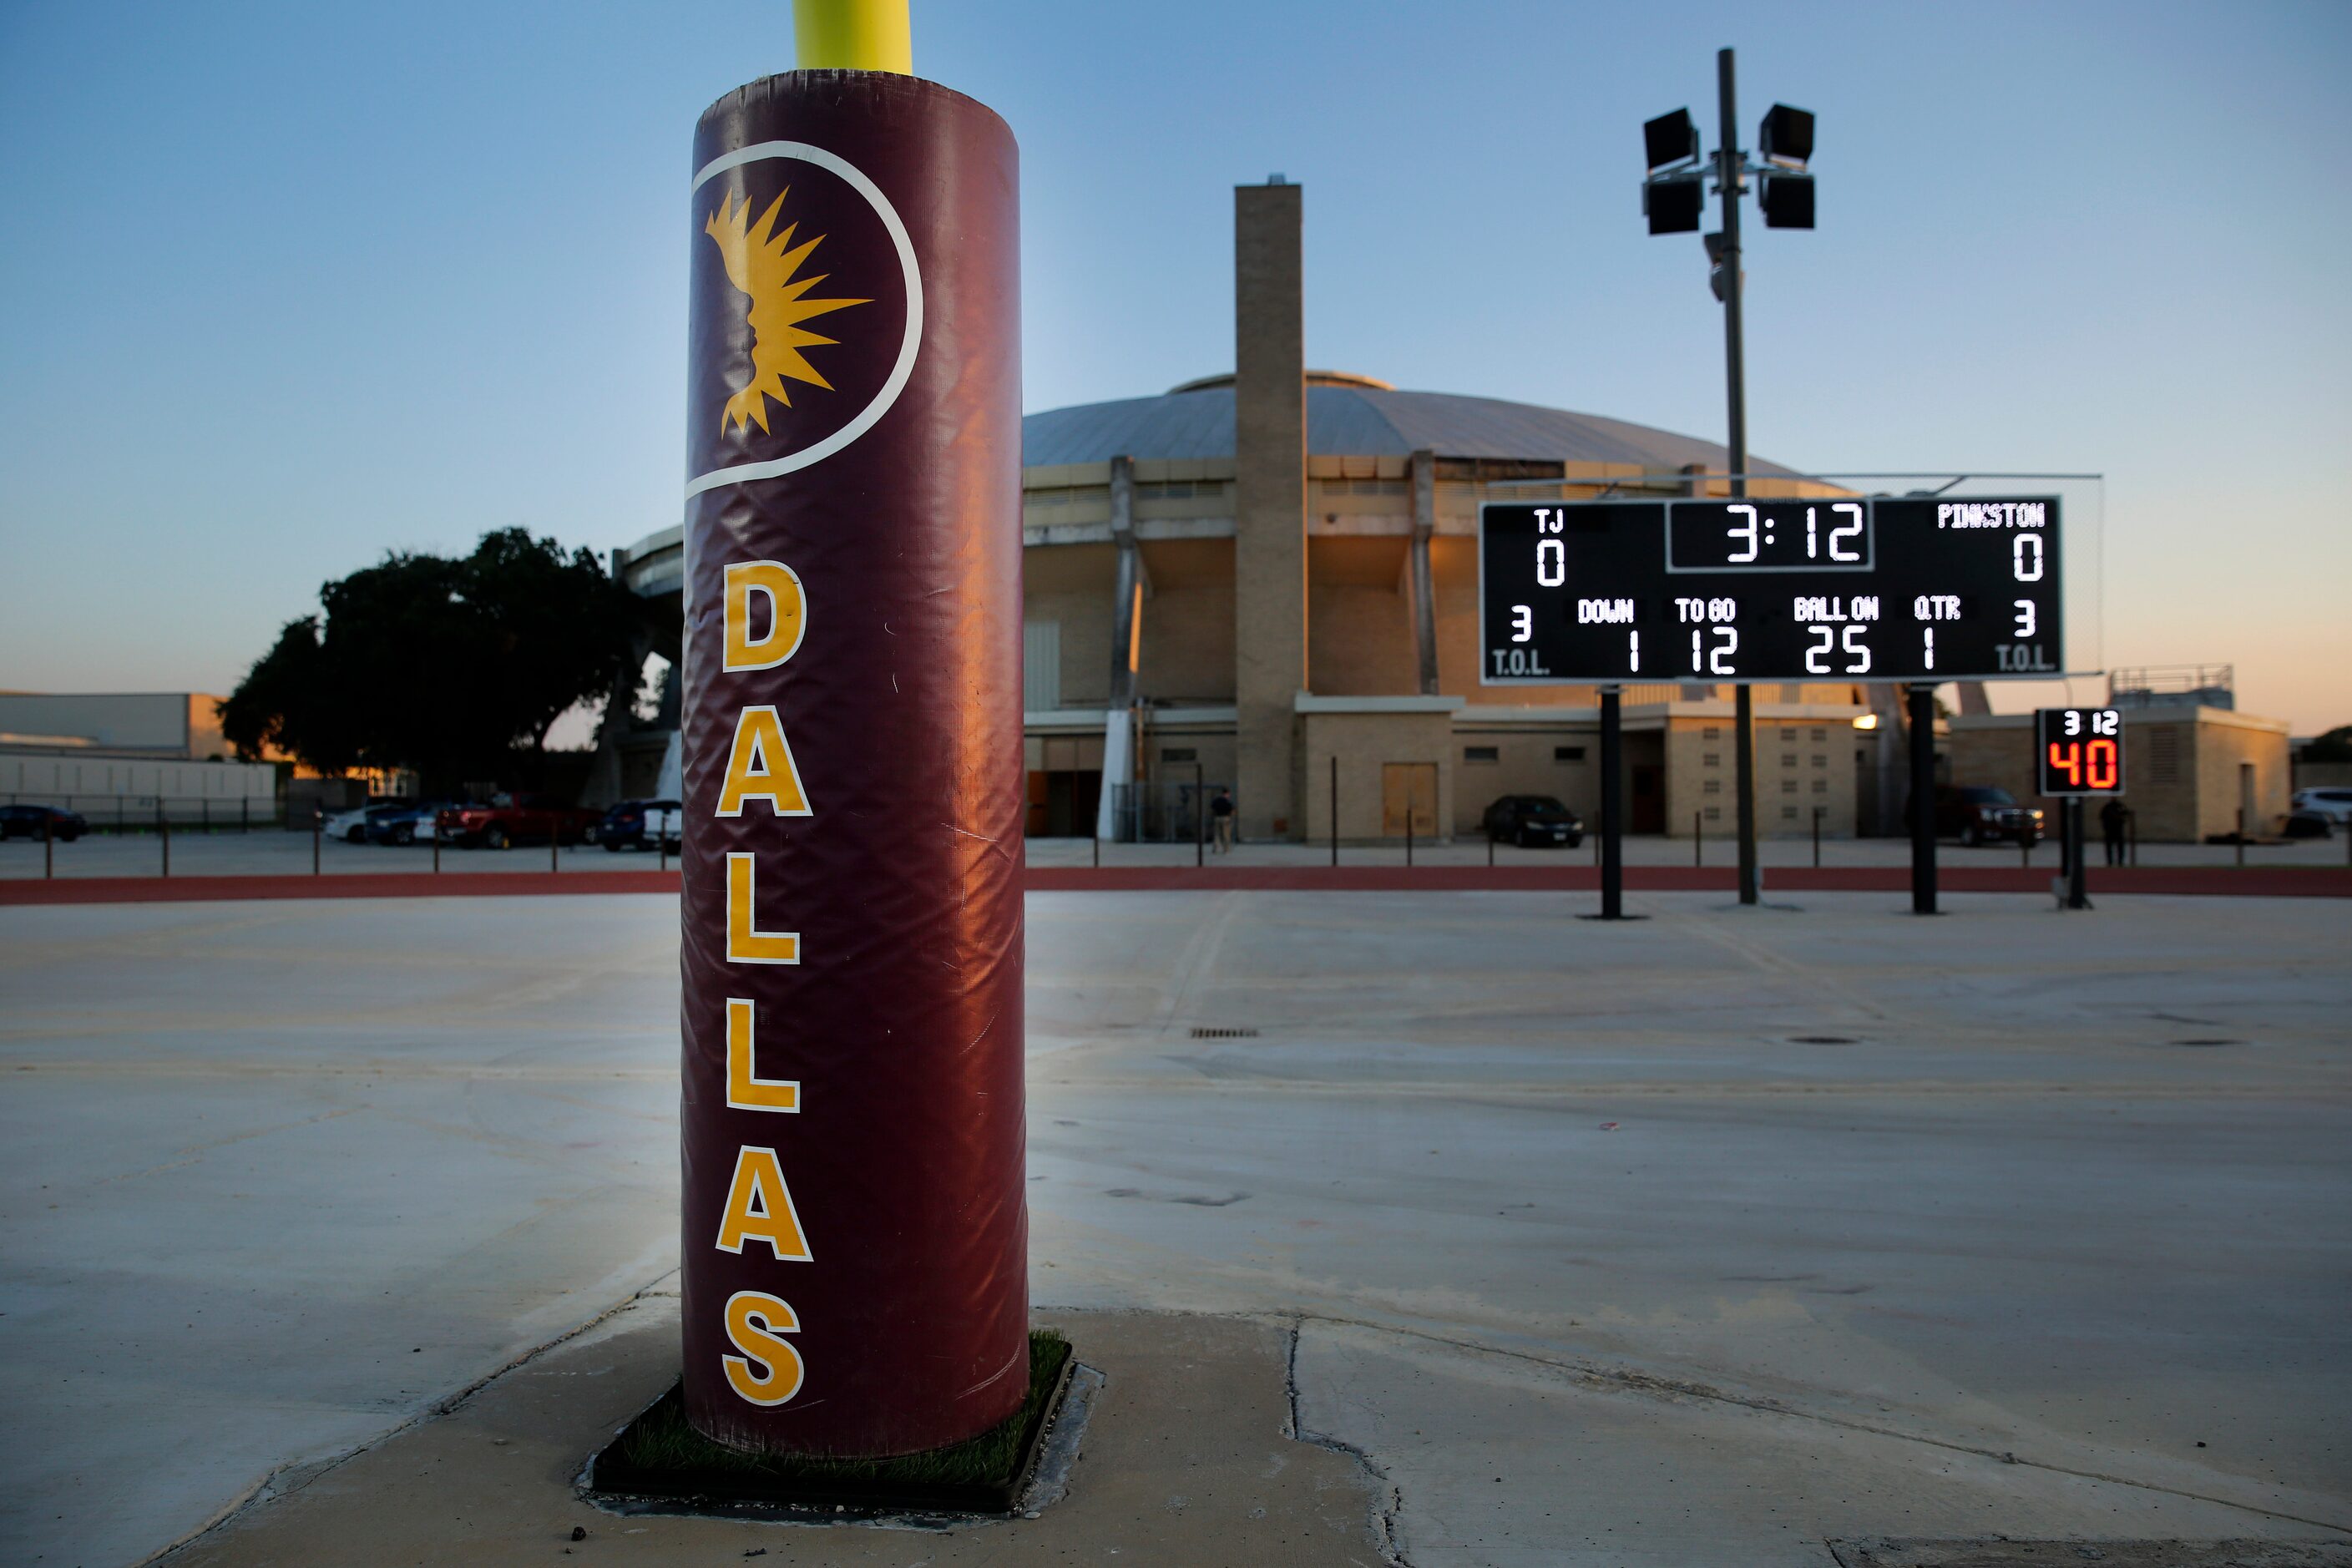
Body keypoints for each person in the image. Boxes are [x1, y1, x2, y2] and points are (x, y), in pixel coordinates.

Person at [2100, 796, 2128, 867]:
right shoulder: (2107, 807)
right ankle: (2109, 862)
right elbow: (2102, 817)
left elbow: (2126, 814)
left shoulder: (2120, 806)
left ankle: (2120, 862)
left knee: (2120, 847)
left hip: (2118, 830)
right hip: (2109, 830)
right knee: (2109, 848)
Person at [1210, 787, 1234, 854]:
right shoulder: (1227, 801)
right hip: (1226, 818)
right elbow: (1231, 810)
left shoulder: (1216, 800)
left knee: (1217, 834)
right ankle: (1226, 849)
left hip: (1217, 818)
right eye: (1229, 794)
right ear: (1227, 793)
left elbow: (1212, 807)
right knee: (1226, 834)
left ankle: (1216, 849)